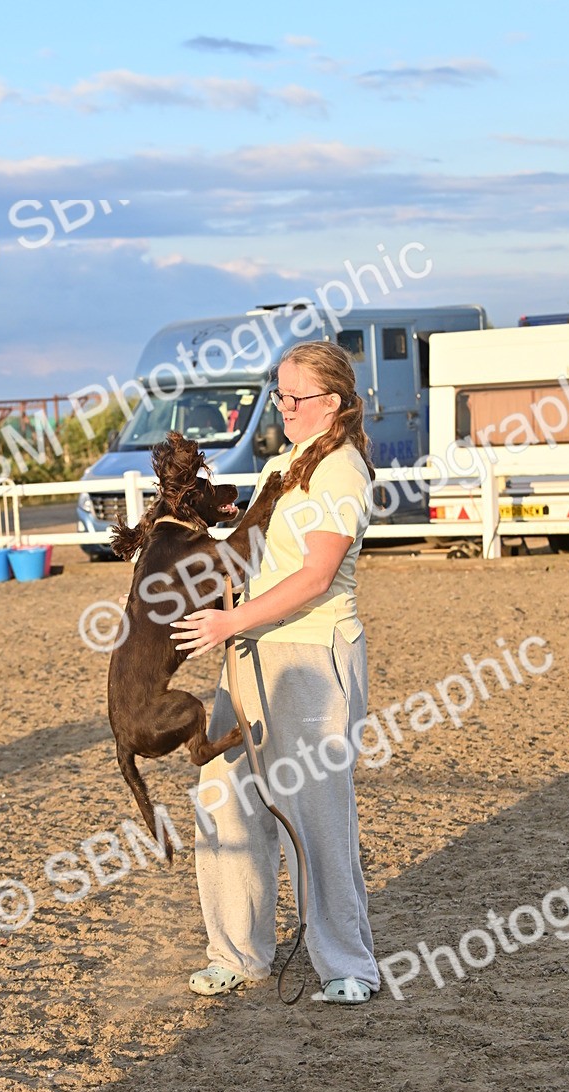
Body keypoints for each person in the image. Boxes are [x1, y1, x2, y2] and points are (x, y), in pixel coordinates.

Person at [170, 341, 380, 1004]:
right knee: (224, 800)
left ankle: (347, 964)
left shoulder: (340, 470)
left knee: (316, 812)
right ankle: (237, 953)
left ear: (334, 403)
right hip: (250, 653)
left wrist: (229, 621)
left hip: (311, 657)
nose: (282, 406)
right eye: (279, 393)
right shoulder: (286, 465)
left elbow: (316, 576)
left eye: (295, 397)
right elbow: (261, 552)